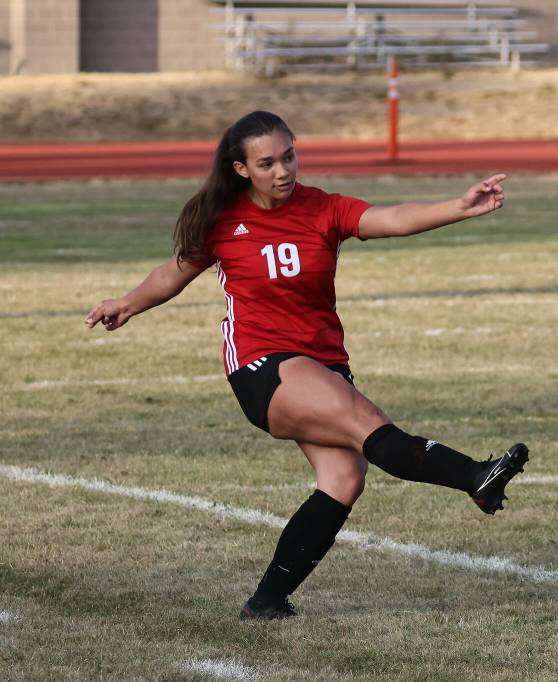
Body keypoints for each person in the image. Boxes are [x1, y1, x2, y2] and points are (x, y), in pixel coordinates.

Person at [84, 111, 529, 621]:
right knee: (370, 426)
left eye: (288, 156)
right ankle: (475, 474)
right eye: (267, 162)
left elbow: (392, 218)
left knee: (343, 478)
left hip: (323, 362)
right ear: (241, 169)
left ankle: (267, 600)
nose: (282, 170)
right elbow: (172, 273)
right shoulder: (223, 221)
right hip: (263, 366)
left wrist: (459, 207)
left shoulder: (323, 208)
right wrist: (127, 303)